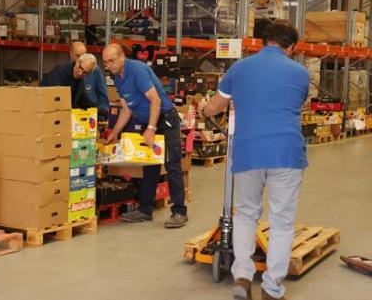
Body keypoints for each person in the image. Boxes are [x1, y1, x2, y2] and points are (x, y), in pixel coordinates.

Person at [201, 20, 309, 300]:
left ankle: (242, 278)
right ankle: (272, 289)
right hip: (286, 153)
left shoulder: (239, 68)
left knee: (247, 214)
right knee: (282, 222)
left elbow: (214, 107)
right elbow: (294, 104)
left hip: (248, 152)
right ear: (292, 47)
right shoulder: (300, 73)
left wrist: (203, 109)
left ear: (263, 41)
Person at [102, 43, 187, 228]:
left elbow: (155, 100)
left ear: (122, 56)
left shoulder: (137, 70)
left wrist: (151, 128)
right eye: (105, 62)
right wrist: (114, 132)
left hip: (165, 118)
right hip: (147, 120)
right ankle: (145, 209)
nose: (108, 65)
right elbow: (126, 109)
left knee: (171, 164)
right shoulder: (117, 77)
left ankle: (179, 211)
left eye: (111, 61)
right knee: (149, 164)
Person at [69, 41, 109, 117]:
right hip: (72, 115)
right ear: (70, 54)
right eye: (77, 56)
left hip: (91, 115)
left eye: (83, 56)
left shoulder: (95, 70)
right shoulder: (65, 72)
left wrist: (101, 114)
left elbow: (103, 96)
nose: (80, 60)